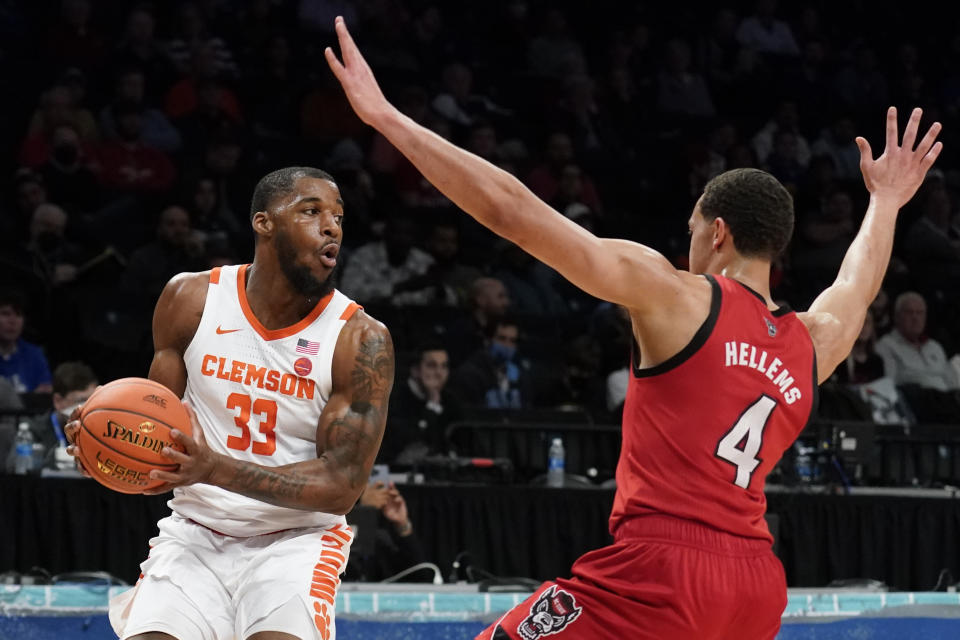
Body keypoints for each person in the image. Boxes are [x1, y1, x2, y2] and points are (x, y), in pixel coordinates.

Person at [326, 18, 941, 639]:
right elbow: (855, 288)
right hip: (756, 582)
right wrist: (885, 202)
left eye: (693, 230)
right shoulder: (813, 339)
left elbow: (512, 211)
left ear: (717, 231)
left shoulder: (676, 296)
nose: (689, 242)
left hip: (662, 571)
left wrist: (388, 119)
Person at [65, 166, 394, 640]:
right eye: (311, 211)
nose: (332, 226)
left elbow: (342, 485)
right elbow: (157, 435)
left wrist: (212, 468)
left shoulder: (360, 339)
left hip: (296, 542)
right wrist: (107, 453)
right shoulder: (190, 299)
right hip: (196, 531)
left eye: (338, 217)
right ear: (263, 223)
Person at [25, 360, 97, 469]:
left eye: (92, 399)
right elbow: (17, 469)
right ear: (58, 401)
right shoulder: (32, 431)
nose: (87, 408)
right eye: (81, 401)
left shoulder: (101, 432)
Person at [0, 287, 52, 394]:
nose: (12, 321)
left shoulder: (34, 354)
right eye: (6, 314)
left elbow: (45, 390)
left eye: (18, 315)